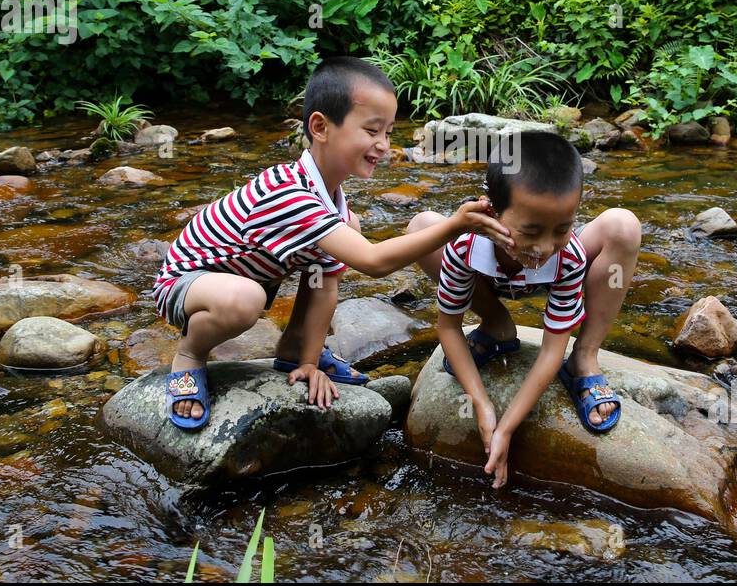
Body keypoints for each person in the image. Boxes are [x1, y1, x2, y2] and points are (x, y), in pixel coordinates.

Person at [152, 57, 513, 429]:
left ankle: (294, 348)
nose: (384, 146)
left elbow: (324, 281)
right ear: (321, 127)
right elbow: (373, 262)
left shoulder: (331, 198)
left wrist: (308, 363)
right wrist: (454, 225)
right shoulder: (289, 195)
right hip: (187, 284)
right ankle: (190, 354)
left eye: (388, 132)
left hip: (248, 278)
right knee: (245, 300)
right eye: (372, 130)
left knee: (348, 230)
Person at [406, 129, 642, 487]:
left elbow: (550, 350)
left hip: (552, 280)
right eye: (530, 231)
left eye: (562, 229)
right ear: (490, 210)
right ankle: (497, 324)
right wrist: (482, 405)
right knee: (421, 228)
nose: (544, 246)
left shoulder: (568, 254)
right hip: (488, 279)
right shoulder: (464, 246)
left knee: (624, 226)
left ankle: (586, 356)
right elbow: (449, 327)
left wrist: (507, 426)